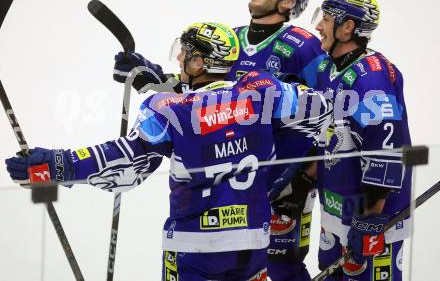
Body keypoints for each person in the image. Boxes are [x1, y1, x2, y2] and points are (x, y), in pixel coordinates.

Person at [5, 22, 332, 281]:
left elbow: (126, 160)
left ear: (202, 61)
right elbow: (320, 111)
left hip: (195, 249)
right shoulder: (263, 91)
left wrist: (56, 164)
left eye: (186, 53)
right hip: (253, 243)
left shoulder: (170, 108)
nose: (179, 59)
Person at [113, 0, 327, 281]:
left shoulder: (302, 43)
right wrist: (150, 75)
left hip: (287, 180)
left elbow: (327, 108)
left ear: (288, 2)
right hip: (236, 184)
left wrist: (306, 177)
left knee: (284, 264)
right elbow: (202, 96)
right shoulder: (234, 38)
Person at [311, 0, 412, 280]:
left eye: (327, 18)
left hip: (373, 220)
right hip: (336, 209)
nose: (318, 26)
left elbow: (386, 147)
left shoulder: (373, 78)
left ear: (348, 28)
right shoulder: (325, 67)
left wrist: (371, 219)